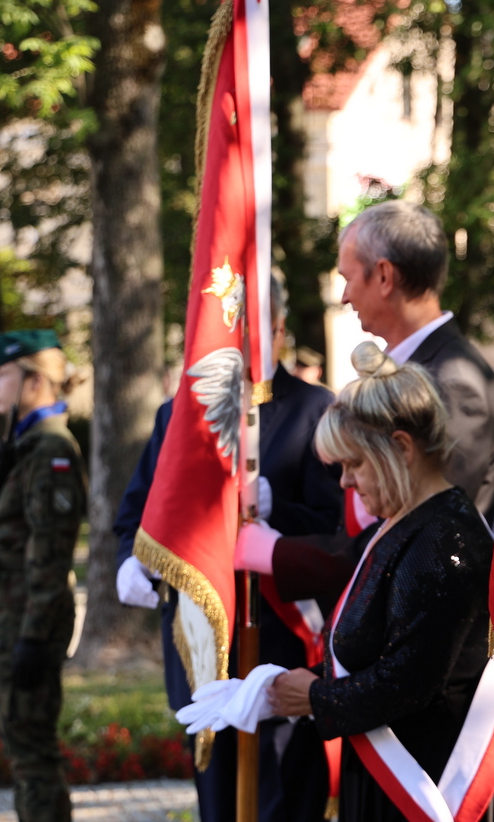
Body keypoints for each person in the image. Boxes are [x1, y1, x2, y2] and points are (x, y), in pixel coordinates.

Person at [194, 343, 494, 822]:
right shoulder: (408, 521)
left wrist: (313, 697)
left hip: (447, 775)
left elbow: (409, 681)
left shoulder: (443, 538)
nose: (344, 482)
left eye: (354, 464)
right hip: (411, 765)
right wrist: (273, 686)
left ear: (402, 448)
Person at [114, 276, 343, 822]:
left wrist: (277, 511)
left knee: (283, 803)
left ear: (280, 329)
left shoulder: (316, 410)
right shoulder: (180, 413)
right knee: (217, 804)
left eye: (252, 325)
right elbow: (138, 511)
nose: (236, 338)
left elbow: (339, 534)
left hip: (282, 651)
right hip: (201, 650)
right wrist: (131, 558)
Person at [335, 200, 494, 521]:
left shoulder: (455, 382)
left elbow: (428, 528)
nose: (344, 296)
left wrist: (275, 551)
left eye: (348, 278)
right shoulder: (420, 367)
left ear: (384, 276)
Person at [0, 329, 87, 822]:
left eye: (1, 373)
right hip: (11, 616)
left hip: (29, 621)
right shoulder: (24, 445)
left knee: (31, 755)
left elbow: (49, 557)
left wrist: (31, 638)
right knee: (19, 746)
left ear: (33, 382)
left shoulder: (52, 452)